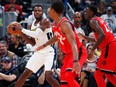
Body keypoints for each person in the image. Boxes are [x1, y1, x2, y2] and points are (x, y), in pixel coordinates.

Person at [36, 1, 87, 87]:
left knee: (69, 76)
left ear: (53, 11)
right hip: (68, 55)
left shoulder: (65, 24)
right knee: (63, 79)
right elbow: (56, 37)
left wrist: (75, 61)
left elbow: (74, 43)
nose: (48, 11)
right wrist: (44, 45)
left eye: (50, 9)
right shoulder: (55, 24)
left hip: (77, 52)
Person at [8, 4, 60, 87]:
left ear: (42, 12)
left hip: (49, 52)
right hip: (39, 52)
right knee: (25, 74)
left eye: (39, 11)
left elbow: (37, 34)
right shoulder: (33, 24)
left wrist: (22, 29)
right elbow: (33, 43)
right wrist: (20, 33)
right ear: (33, 12)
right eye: (35, 11)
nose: (37, 12)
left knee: (49, 77)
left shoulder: (45, 21)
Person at [78, 5, 116, 87]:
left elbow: (102, 35)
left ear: (92, 12)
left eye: (86, 11)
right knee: (108, 74)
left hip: (109, 48)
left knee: (98, 74)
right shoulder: (99, 19)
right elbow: (98, 38)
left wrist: (92, 50)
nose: (84, 12)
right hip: (112, 45)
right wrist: (85, 37)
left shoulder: (92, 21)